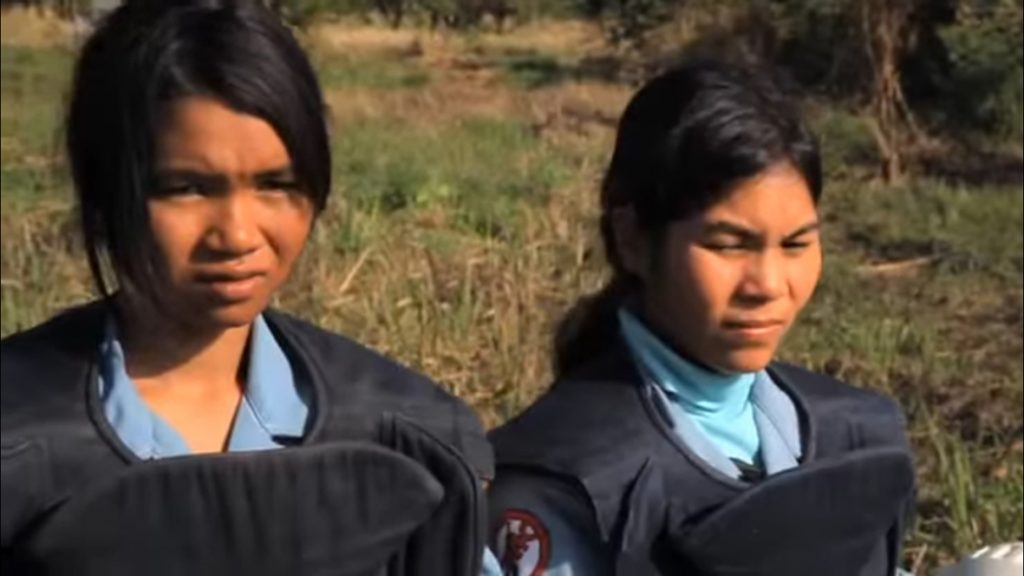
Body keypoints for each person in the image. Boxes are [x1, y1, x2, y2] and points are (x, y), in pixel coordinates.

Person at [0, 1, 499, 574]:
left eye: (275, 184)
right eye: (186, 187)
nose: (237, 234)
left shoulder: (406, 441)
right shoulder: (19, 444)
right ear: (108, 190)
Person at [488, 58, 917, 576]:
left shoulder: (855, 437)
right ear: (634, 240)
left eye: (797, 244)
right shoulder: (563, 480)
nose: (769, 286)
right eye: (728, 245)